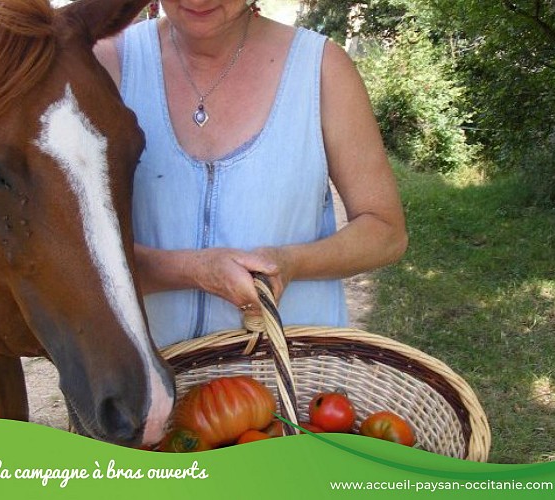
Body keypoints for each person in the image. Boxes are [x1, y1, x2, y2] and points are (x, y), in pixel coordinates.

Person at [94, 0, 407, 347]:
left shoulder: (320, 68)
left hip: (295, 382)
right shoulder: (107, 65)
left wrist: (288, 263)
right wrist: (192, 270)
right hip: (149, 380)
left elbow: (385, 231)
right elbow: (71, 249)